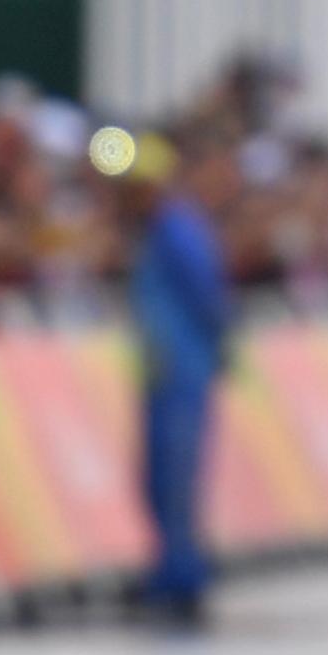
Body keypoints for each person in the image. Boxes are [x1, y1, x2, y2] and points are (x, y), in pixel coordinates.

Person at [127, 134, 235, 627]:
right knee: (160, 477)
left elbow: (209, 297)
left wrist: (216, 349)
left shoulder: (176, 230)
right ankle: (171, 570)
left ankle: (182, 575)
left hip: (180, 375)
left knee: (176, 478)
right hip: (165, 371)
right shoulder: (160, 229)